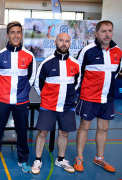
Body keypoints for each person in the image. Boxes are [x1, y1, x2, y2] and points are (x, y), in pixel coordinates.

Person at [0, 21, 36, 174]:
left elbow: (31, 78)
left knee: (22, 131)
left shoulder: (29, 55)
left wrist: (24, 92)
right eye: (12, 32)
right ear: (7, 35)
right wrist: (2, 92)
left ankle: (23, 159)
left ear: (21, 34)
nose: (15, 35)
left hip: (21, 101)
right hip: (2, 100)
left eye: (18, 32)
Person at [74, 20, 122, 173]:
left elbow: (116, 72)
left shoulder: (118, 51)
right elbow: (78, 74)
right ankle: (79, 158)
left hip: (107, 98)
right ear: (96, 33)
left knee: (103, 128)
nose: (107, 34)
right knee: (84, 127)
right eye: (103, 31)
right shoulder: (87, 50)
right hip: (88, 97)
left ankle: (99, 158)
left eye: (110, 31)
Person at [32, 33, 80, 174]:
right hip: (48, 105)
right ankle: (38, 160)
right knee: (42, 132)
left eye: (66, 41)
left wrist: (68, 97)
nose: (64, 43)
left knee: (64, 133)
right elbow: (37, 83)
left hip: (67, 106)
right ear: (55, 42)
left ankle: (61, 159)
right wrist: (46, 98)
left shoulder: (76, 64)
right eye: (61, 40)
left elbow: (77, 83)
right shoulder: (47, 63)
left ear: (70, 43)